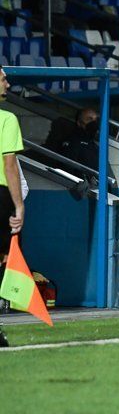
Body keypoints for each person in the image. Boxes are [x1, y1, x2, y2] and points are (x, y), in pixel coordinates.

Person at [0, 65, 24, 347]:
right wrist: (19, 205)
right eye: (3, 79)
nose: (7, 83)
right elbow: (9, 165)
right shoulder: (7, 119)